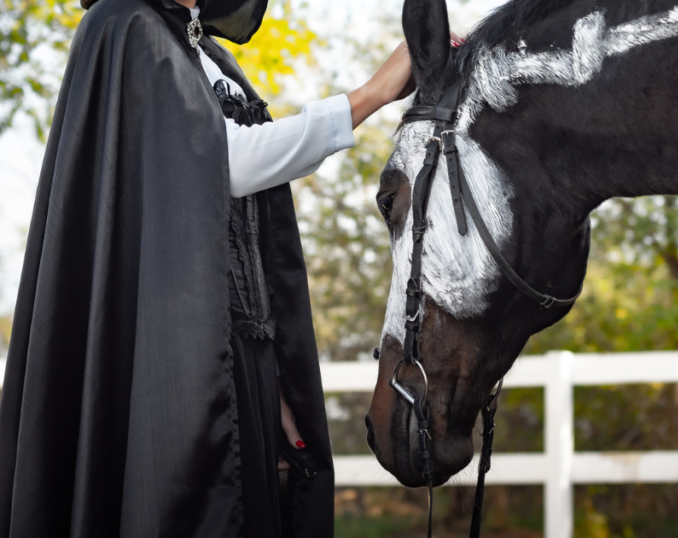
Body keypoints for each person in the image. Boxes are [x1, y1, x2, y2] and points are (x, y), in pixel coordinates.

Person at [0, 0, 461, 535]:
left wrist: (275, 381)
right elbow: (225, 160)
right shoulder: (125, 26)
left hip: (241, 349)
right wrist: (371, 95)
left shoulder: (208, 55)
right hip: (168, 358)